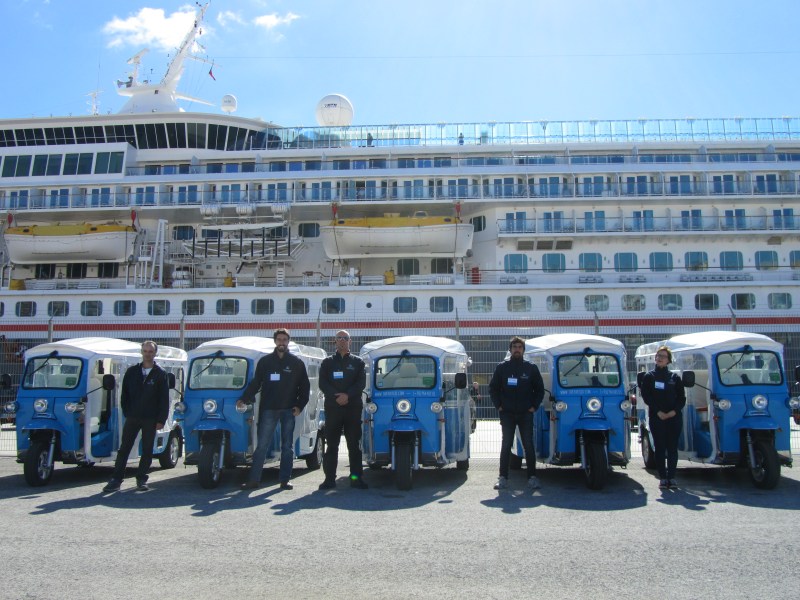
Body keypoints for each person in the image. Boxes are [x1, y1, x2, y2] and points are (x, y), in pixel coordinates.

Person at [237, 329, 310, 491]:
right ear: (275, 341)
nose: (282, 342)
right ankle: (254, 480)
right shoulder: (265, 362)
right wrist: (245, 398)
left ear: (288, 341)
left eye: (284, 339)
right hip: (268, 408)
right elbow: (256, 383)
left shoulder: (296, 363)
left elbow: (304, 387)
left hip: (289, 410)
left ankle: (285, 480)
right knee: (262, 445)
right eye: (279, 339)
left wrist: (299, 405)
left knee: (287, 446)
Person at [103, 341, 170, 492]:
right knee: (124, 448)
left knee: (147, 450)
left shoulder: (160, 374)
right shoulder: (132, 372)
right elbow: (124, 394)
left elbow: (164, 399)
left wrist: (161, 420)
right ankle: (116, 479)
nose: (148, 354)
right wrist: (128, 412)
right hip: (133, 417)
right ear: (141, 352)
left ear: (155, 353)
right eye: (145, 351)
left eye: (151, 351)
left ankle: (141, 479)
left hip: (150, 418)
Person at [489, 336, 544, 490]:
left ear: (524, 350)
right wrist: (498, 405)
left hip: (526, 413)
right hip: (507, 413)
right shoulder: (502, 368)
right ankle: (502, 478)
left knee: (528, 444)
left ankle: (532, 477)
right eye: (514, 347)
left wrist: (534, 406)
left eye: (520, 347)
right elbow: (493, 388)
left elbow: (539, 389)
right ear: (510, 350)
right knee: (506, 444)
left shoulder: (531, 368)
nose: (517, 349)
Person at [318, 330, 368, 490]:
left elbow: (360, 384)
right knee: (332, 445)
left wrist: (347, 395)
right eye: (339, 338)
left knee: (354, 445)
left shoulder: (358, 362)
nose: (342, 341)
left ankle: (355, 478)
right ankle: (329, 479)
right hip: (333, 409)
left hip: (352, 409)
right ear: (335, 341)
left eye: (345, 338)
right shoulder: (327, 362)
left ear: (350, 341)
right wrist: (336, 396)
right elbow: (323, 383)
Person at [640, 345, 686, 490]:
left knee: (672, 447)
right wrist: (658, 411)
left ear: (668, 360)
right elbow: (647, 396)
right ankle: (662, 478)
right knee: (659, 447)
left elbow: (681, 398)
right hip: (657, 416)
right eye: (658, 356)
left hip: (674, 417)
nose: (659, 358)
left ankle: (671, 477)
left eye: (663, 356)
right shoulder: (649, 377)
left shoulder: (674, 377)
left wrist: (674, 411)